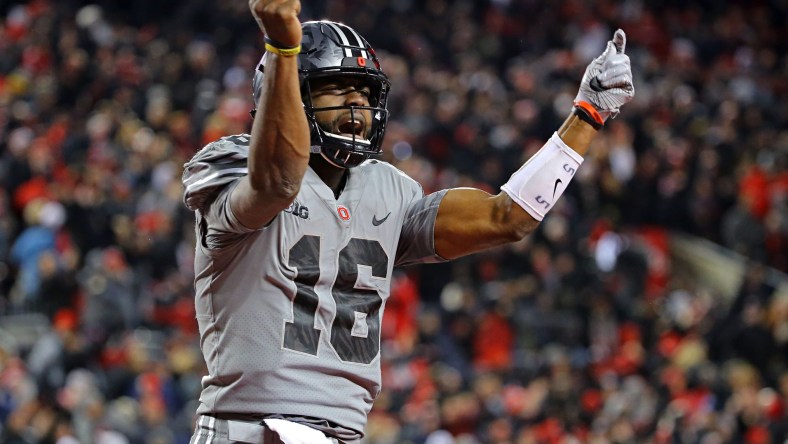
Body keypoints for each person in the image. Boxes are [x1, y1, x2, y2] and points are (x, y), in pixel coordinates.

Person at [182, 0, 634, 442]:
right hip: (247, 428)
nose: (358, 106)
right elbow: (279, 180)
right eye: (339, 89)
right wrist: (282, 50)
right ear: (292, 94)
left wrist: (587, 116)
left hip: (343, 433)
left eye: (364, 92)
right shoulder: (235, 164)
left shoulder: (388, 189)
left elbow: (508, 217)